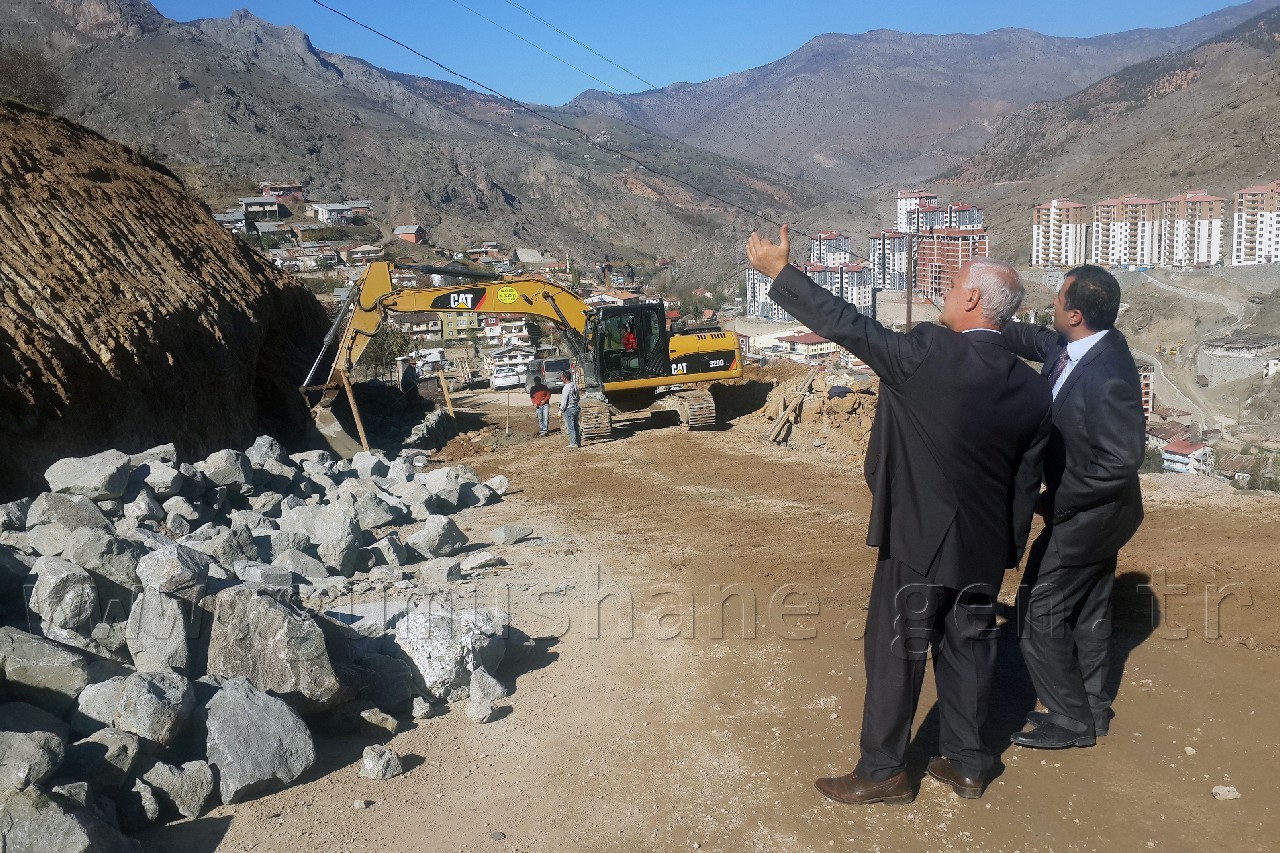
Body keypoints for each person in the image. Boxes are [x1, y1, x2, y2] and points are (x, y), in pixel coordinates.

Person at [746, 225, 1050, 804]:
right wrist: (1005, 551)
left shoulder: (928, 353)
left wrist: (780, 274)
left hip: (917, 541)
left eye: (953, 283)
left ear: (971, 300)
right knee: (970, 651)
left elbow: (850, 328)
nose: (944, 291)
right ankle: (966, 763)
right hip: (983, 548)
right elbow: (1023, 484)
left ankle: (883, 771)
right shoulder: (1033, 391)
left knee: (894, 653)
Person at [1004, 265, 1145, 750]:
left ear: (1077, 313)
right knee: (1088, 610)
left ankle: (1069, 718)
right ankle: (1092, 708)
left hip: (1091, 516)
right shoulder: (1081, 347)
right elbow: (1039, 340)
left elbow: (1120, 462)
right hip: (1099, 514)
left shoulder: (1107, 376)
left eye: (1059, 300)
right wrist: (990, 324)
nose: (1053, 307)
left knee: (1036, 612)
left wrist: (1057, 499)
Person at [559, 370, 580, 448]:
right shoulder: (574, 385)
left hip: (569, 409)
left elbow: (564, 400)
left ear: (564, 378)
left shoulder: (566, 388)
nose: (561, 378)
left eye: (562, 377)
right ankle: (578, 441)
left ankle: (573, 443)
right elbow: (578, 397)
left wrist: (561, 409)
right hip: (575, 407)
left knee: (570, 427)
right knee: (576, 426)